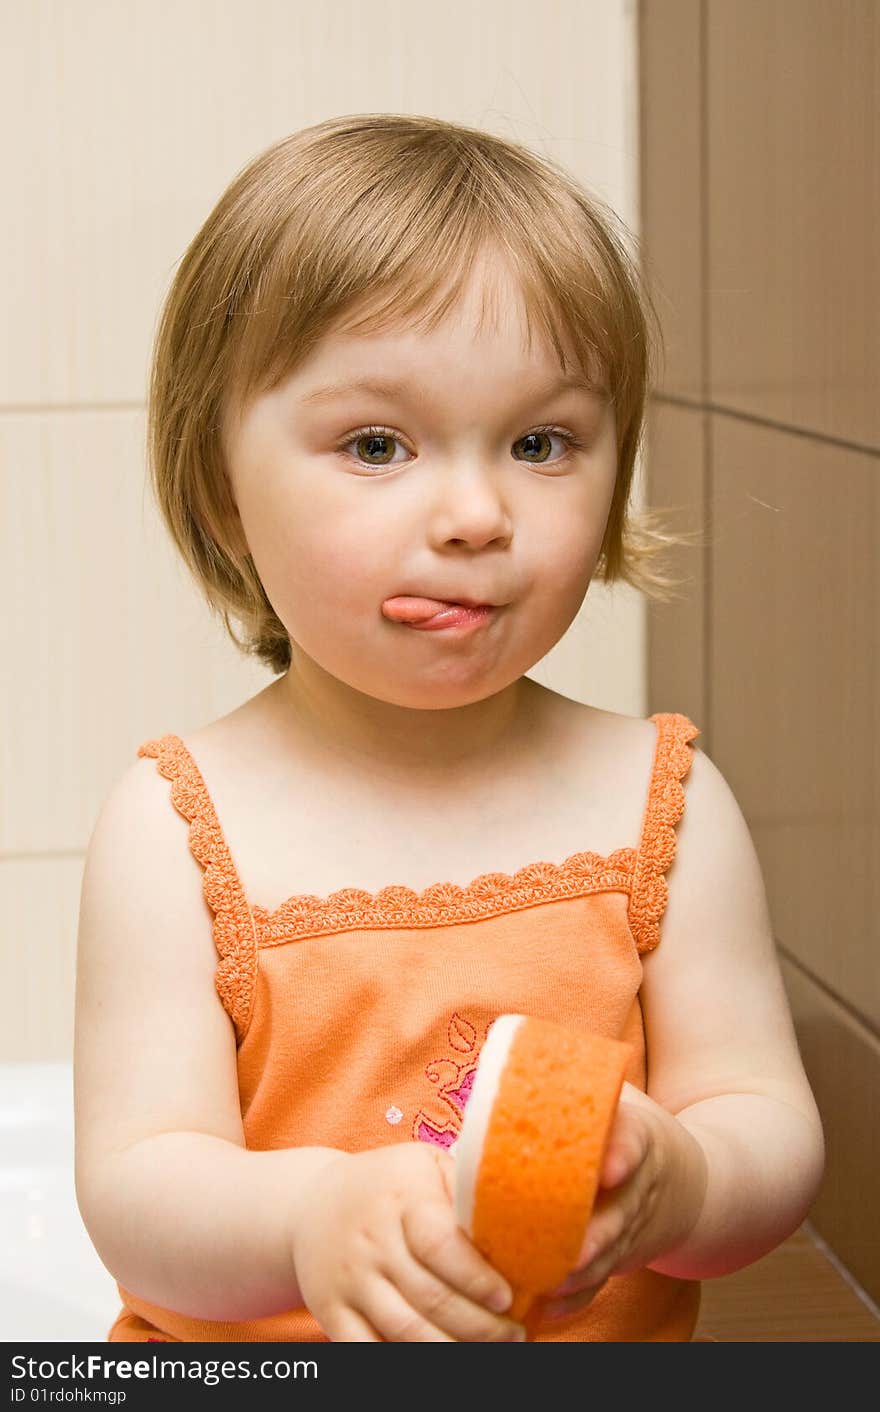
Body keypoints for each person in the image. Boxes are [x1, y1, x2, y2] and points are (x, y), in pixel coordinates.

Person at [73, 113, 825, 1344]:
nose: (476, 513)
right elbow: (139, 1190)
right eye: (376, 444)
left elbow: (765, 1126)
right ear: (219, 485)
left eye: (542, 443)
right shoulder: (174, 825)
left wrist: (683, 1179)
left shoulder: (663, 801)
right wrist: (312, 1220)